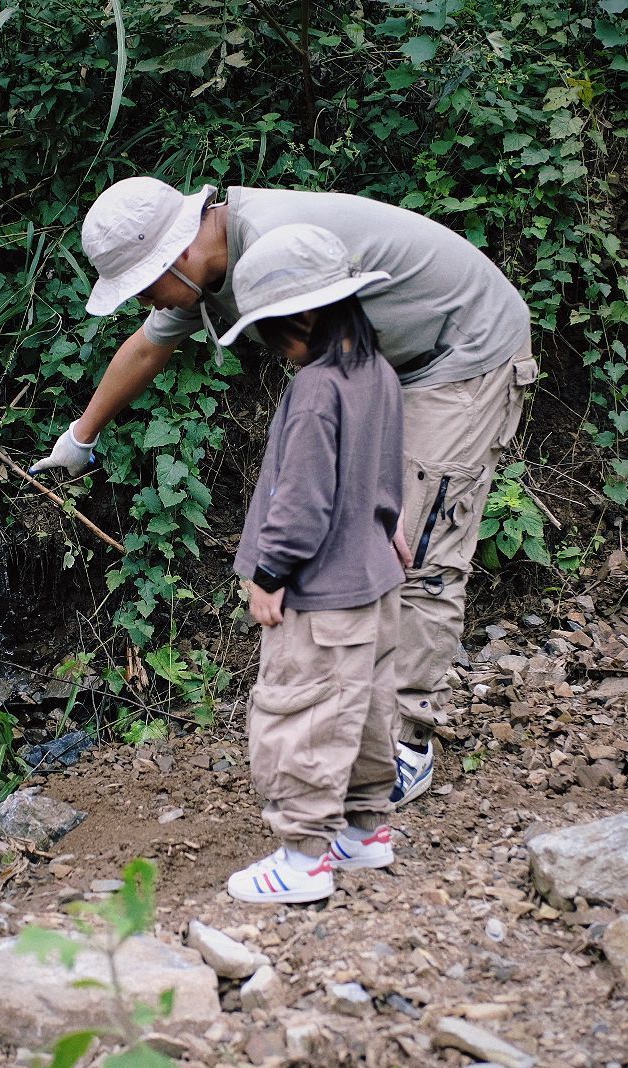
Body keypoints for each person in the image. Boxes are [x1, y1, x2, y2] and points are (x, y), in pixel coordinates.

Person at [30, 178, 538, 807]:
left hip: (463, 350)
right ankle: (361, 721)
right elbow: (149, 345)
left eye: (144, 285)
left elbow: (333, 397)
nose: (143, 301)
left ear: (178, 255)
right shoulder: (208, 262)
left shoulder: (278, 246)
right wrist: (82, 436)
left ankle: (405, 743)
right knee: (375, 536)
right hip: (388, 363)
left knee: (419, 554)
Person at [215, 224, 403, 903]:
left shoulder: (316, 389)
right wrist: (392, 532)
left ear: (300, 317)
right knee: (364, 707)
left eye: (269, 332)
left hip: (320, 593)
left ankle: (302, 858)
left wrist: (269, 574)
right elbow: (384, 475)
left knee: (303, 713)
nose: (273, 350)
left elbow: (300, 499)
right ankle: (364, 832)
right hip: (375, 582)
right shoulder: (377, 373)